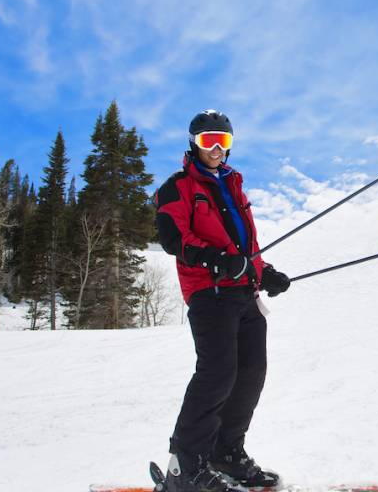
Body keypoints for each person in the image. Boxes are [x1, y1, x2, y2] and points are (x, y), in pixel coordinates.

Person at [154, 110, 291, 492]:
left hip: (243, 294)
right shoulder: (176, 187)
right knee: (217, 375)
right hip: (209, 293)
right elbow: (172, 238)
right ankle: (184, 466)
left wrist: (265, 273)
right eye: (207, 141)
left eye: (223, 141)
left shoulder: (234, 187)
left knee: (250, 373)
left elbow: (245, 249)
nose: (215, 149)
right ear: (193, 143)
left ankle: (225, 454)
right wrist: (216, 259)